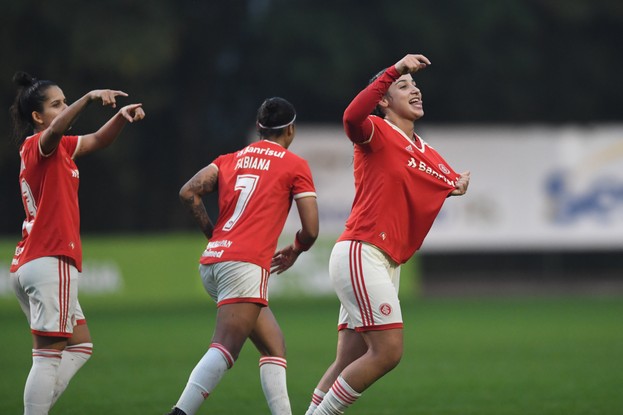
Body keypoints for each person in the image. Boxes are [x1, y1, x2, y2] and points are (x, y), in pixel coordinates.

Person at [304, 54, 470, 415]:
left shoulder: (423, 150)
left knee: (352, 357)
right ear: (383, 99)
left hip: (384, 260)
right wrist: (394, 69)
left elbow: (444, 178)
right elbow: (351, 118)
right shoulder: (376, 133)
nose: (415, 90)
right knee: (388, 351)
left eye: (415, 84)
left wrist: (457, 186)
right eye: (404, 86)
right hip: (362, 252)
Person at [167, 97, 319, 415]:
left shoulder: (230, 159)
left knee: (273, 346)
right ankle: (179, 412)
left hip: (213, 261)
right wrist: (296, 249)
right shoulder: (294, 165)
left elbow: (188, 192)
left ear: (260, 128)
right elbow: (312, 229)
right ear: (290, 129)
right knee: (226, 347)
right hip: (244, 265)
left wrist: (214, 235)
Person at [8, 71, 145, 415]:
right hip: (51, 259)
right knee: (47, 356)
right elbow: (55, 131)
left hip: (33, 262)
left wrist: (120, 117)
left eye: (66, 101)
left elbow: (99, 140)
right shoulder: (40, 143)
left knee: (80, 346)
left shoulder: (60, 150)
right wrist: (87, 98)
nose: (64, 107)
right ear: (37, 117)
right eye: (57, 104)